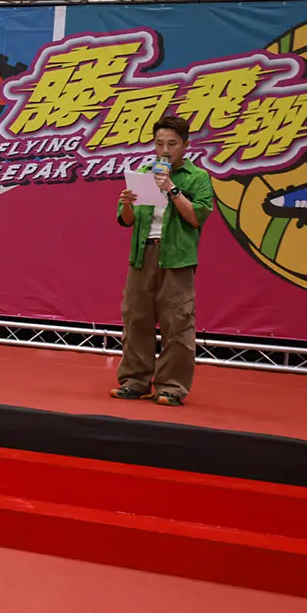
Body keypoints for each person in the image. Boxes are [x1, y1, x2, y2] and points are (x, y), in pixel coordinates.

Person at [113, 115, 214, 406]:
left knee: (177, 322)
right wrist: (128, 203)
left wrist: (171, 188)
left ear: (185, 145)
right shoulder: (144, 173)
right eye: (159, 144)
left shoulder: (197, 177)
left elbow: (196, 217)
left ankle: (171, 387)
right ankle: (135, 381)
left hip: (177, 257)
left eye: (172, 143)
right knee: (136, 319)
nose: (165, 150)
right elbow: (126, 219)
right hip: (142, 254)